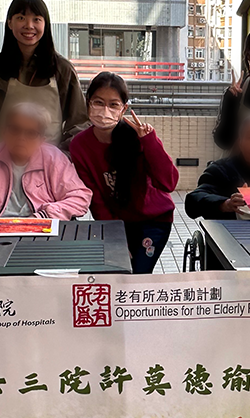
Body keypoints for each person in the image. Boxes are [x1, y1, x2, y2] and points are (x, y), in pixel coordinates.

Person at [69, 73, 179, 274]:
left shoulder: (138, 137)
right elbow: (95, 198)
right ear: (88, 103)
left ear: (124, 109)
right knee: (114, 273)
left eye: (113, 104)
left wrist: (149, 141)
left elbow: (168, 183)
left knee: (136, 276)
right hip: (116, 221)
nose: (105, 110)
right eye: (98, 102)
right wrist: (114, 237)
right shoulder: (79, 145)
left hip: (153, 220)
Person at [0, 0, 88, 156]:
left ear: (45, 24)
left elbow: (79, 123)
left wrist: (61, 158)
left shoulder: (62, 69)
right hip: (0, 162)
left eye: (36, 19)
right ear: (10, 22)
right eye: (21, 18)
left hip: (48, 165)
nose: (29, 25)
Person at [0, 102, 91, 220]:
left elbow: (80, 197)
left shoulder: (54, 159)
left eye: (31, 133)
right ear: (4, 132)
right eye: (15, 129)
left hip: (41, 230)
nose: (21, 137)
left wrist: (45, 215)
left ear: (42, 139)